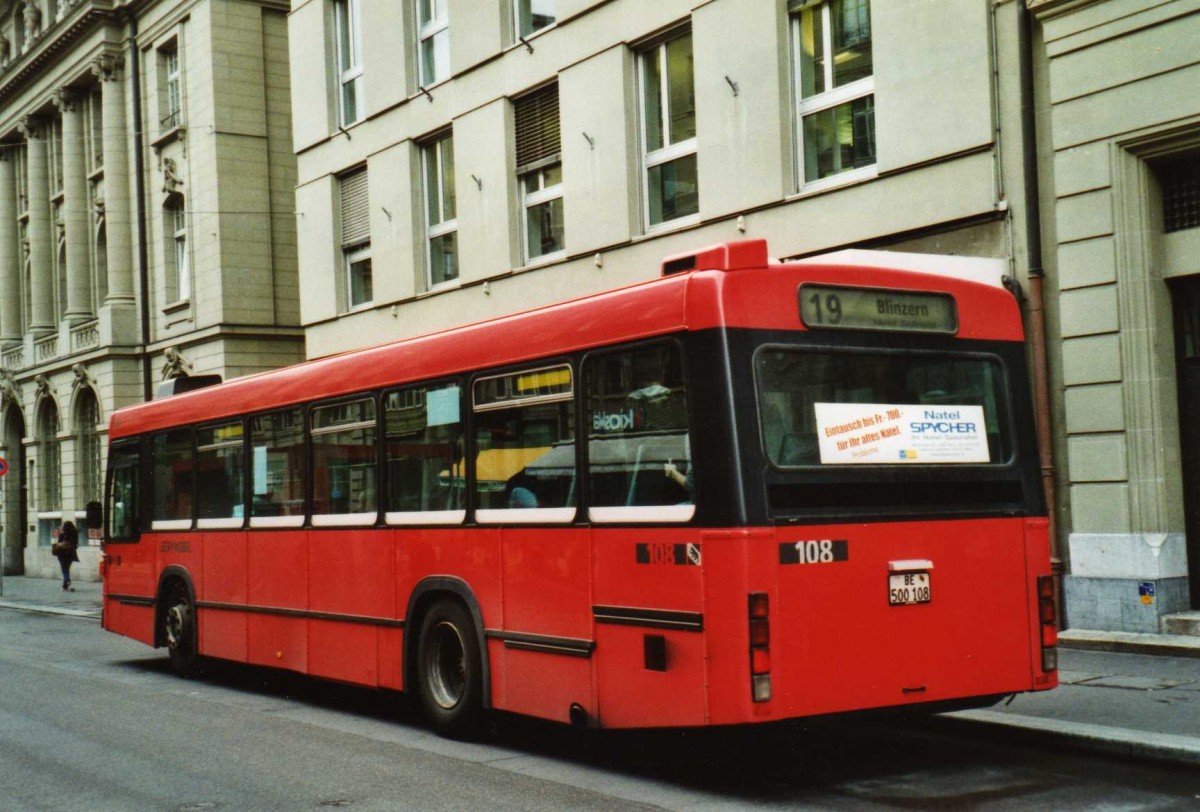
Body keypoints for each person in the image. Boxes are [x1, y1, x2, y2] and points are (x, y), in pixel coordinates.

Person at [54, 520, 80, 592]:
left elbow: (58, 544)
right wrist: (73, 548)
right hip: (70, 554)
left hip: (62, 554)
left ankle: (68, 581)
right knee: (67, 569)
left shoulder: (62, 535)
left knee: (64, 569)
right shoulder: (75, 534)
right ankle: (65, 587)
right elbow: (77, 545)